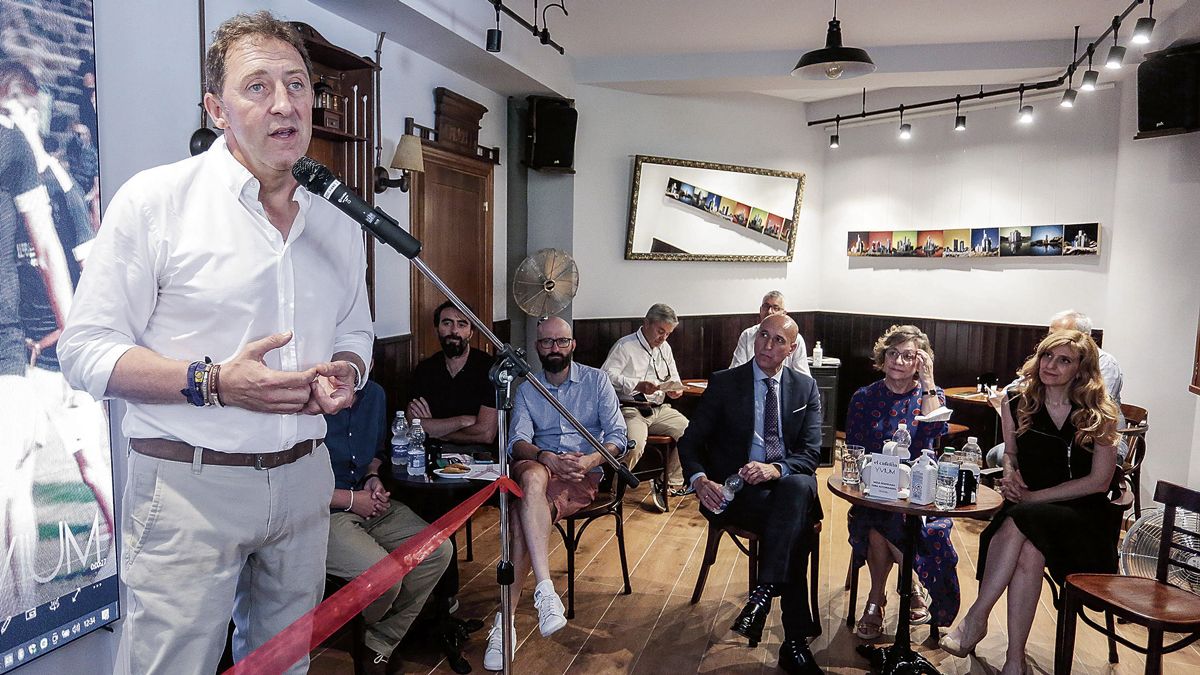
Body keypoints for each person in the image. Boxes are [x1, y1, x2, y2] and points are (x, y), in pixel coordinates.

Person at [58, 13, 374, 674]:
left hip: (305, 480)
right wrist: (216, 381)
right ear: (216, 108)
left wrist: (347, 368)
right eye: (257, 86)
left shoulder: (338, 218)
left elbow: (354, 329)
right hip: (187, 486)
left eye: (296, 83)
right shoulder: (156, 202)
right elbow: (85, 350)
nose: (284, 102)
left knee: (284, 666)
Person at [940, 330, 1121, 675]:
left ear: (1081, 369)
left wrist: (1034, 497)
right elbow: (1010, 453)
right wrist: (1010, 474)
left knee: (1024, 520)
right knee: (1028, 547)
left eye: (1063, 360)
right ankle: (1014, 660)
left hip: (1083, 516)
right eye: (1047, 356)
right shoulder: (1015, 400)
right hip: (1030, 511)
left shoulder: (1100, 412)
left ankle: (976, 618)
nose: (1050, 365)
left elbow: (1099, 482)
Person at [677, 313, 825, 675]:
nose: (767, 346)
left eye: (778, 341)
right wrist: (699, 480)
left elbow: (811, 452)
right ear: (754, 338)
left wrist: (776, 469)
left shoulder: (805, 388)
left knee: (797, 483)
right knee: (798, 524)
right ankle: (793, 641)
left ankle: (762, 595)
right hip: (737, 492)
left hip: (782, 488)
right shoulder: (726, 383)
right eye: (763, 336)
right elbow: (690, 442)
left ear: (791, 350)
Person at [485, 316, 627, 671]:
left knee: (521, 519)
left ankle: (505, 625)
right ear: (536, 347)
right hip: (538, 466)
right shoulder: (528, 388)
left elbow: (619, 436)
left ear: (573, 344)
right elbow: (517, 442)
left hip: (580, 474)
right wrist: (546, 456)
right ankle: (545, 590)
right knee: (532, 476)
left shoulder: (597, 381)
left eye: (561, 342)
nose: (554, 349)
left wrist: (592, 458)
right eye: (547, 342)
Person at [325, 378, 452, 674]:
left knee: (438, 550)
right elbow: (296, 483)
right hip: (324, 510)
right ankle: (349, 636)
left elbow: (376, 453)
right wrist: (351, 500)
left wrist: (373, 477)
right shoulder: (309, 399)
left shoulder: (376, 394)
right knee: (386, 579)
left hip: (368, 499)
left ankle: (378, 643)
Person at [844, 325, 954, 639]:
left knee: (884, 524)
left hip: (920, 489)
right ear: (883, 355)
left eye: (909, 356)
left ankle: (875, 601)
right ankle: (915, 584)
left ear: (920, 363)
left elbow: (935, 433)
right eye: (893, 353)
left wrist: (930, 382)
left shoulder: (931, 395)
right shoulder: (864, 397)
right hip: (874, 488)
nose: (899, 361)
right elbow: (854, 448)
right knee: (880, 513)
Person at [985, 309, 1126, 467]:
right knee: (1000, 454)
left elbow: (1092, 406)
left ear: (1083, 338)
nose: (1054, 340)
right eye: (1050, 335)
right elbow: (1019, 386)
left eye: (1065, 360)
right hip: (1052, 434)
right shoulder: (1047, 359)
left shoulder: (1104, 363)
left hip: (1091, 437)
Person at [601, 303, 689, 511]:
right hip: (632, 408)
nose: (663, 338)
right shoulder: (625, 346)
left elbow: (673, 377)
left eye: (668, 333)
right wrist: (637, 385)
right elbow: (605, 376)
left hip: (659, 409)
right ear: (646, 323)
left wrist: (675, 389)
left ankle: (668, 483)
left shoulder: (664, 348)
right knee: (634, 444)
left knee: (691, 433)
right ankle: (615, 492)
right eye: (660, 331)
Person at [406, 300, 498, 455]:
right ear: (437, 328)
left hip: (479, 456)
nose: (454, 331)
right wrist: (462, 421)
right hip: (435, 454)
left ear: (471, 332)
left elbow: (486, 434)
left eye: (462, 324)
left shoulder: (489, 368)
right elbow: (414, 425)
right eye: (447, 323)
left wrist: (437, 431)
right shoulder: (425, 369)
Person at [729, 290, 810, 376]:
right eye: (766, 307)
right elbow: (736, 370)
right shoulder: (748, 335)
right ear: (760, 310)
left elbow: (803, 377)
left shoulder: (795, 339)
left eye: (776, 308)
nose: (769, 311)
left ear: (784, 314)